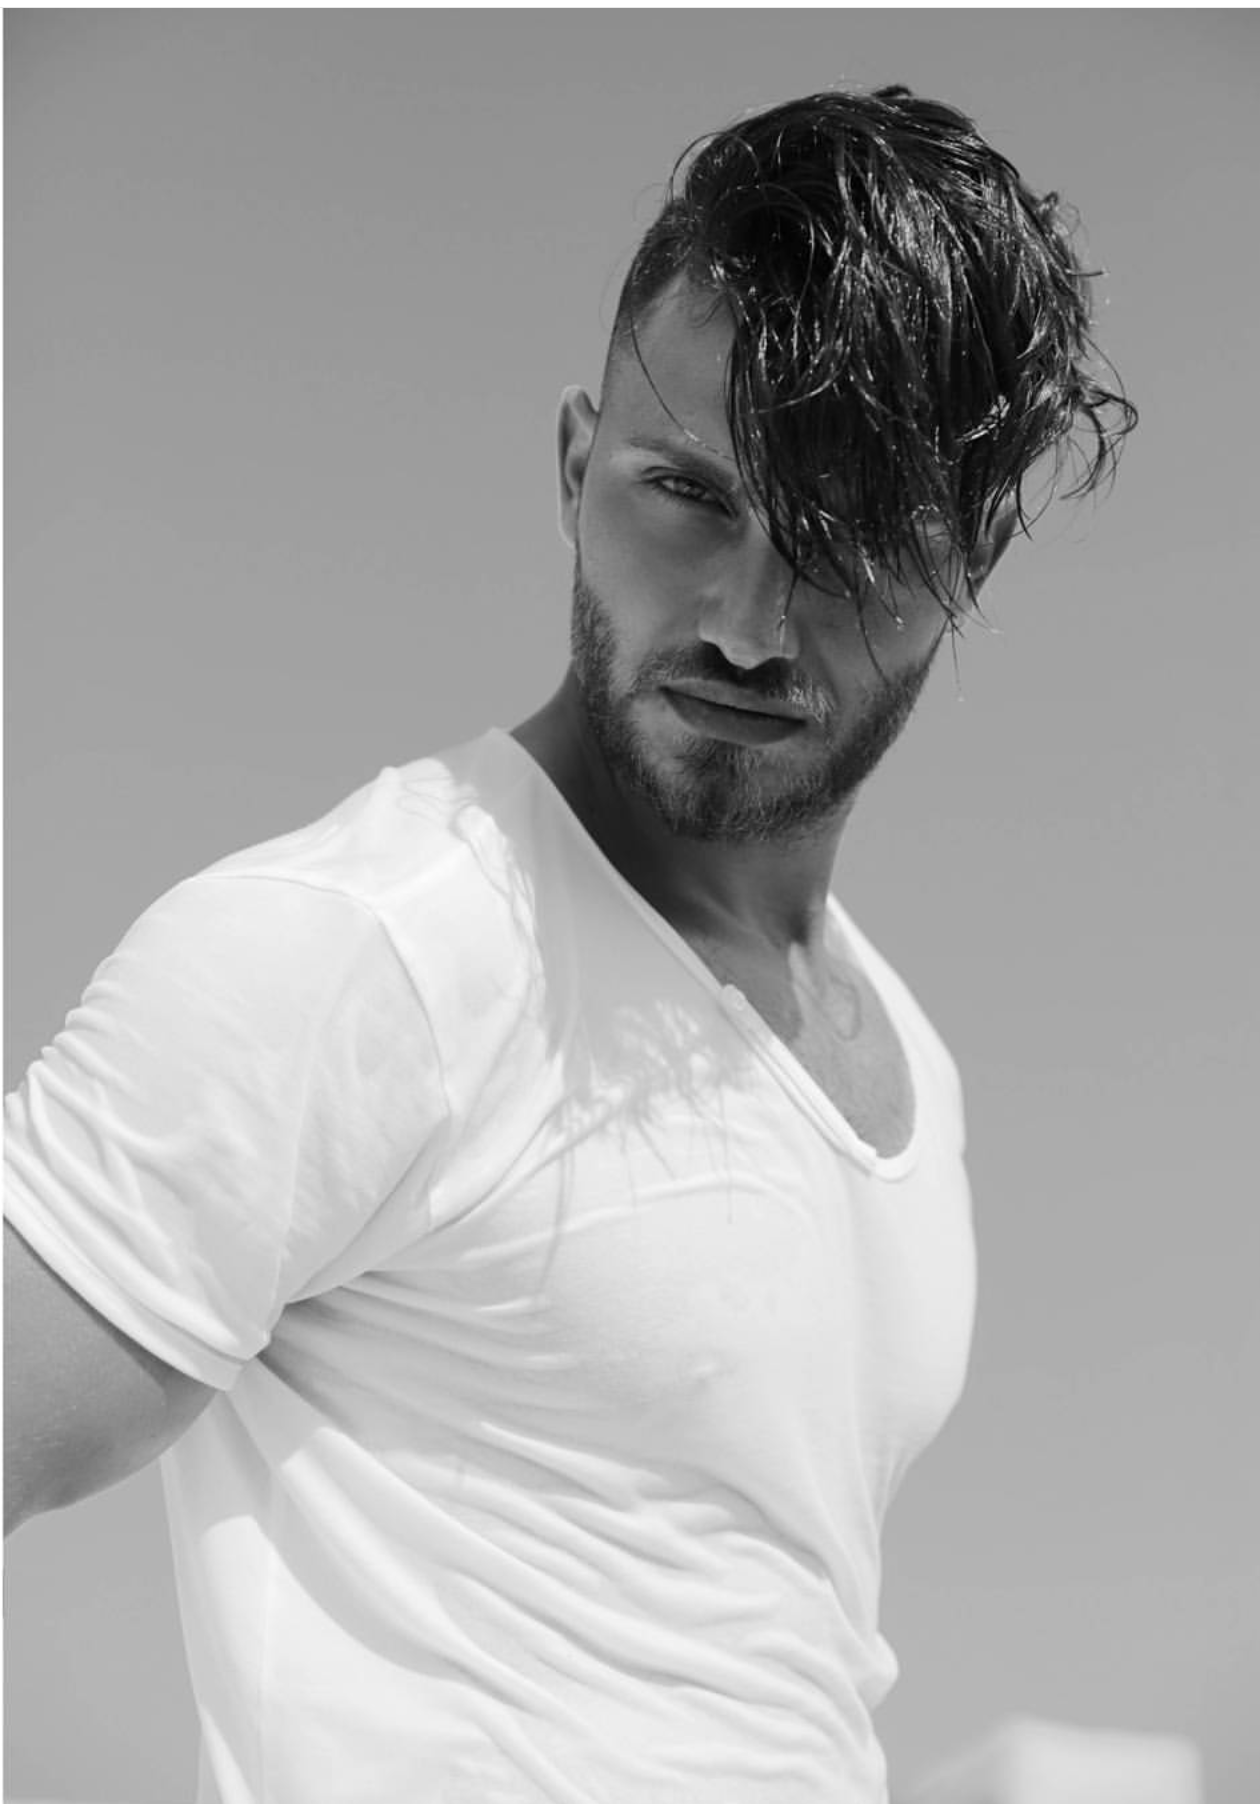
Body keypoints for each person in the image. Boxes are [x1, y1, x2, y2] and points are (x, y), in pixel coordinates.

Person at [4, 85, 1135, 1804]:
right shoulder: (367, 951)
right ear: (570, 468)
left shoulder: (910, 1062)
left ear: (963, 566)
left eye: (848, 541)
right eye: (687, 495)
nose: (747, 622)